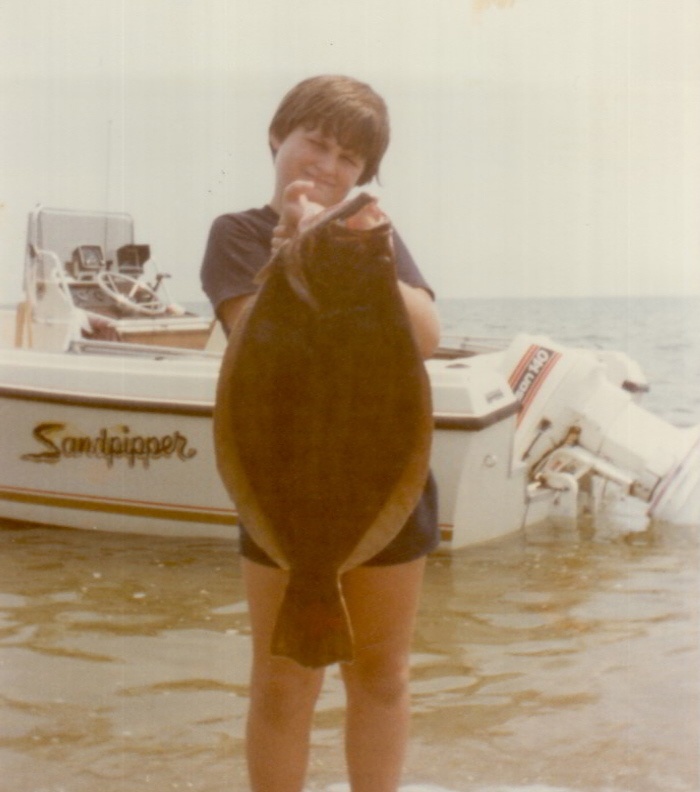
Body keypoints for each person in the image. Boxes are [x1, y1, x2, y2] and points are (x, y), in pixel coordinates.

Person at [200, 74, 441, 792]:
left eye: (348, 158)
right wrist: (290, 251)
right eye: (316, 141)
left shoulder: (373, 235)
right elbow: (255, 334)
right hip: (282, 484)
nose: (327, 166)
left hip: (383, 484)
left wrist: (359, 247)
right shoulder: (238, 234)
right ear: (279, 136)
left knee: (384, 674)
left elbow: (426, 334)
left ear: (364, 175)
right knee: (282, 680)